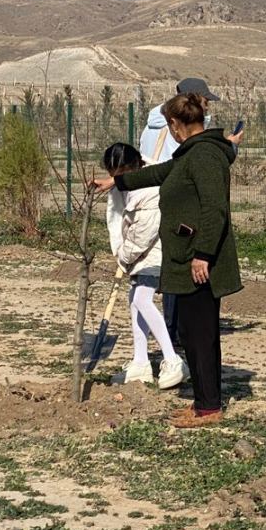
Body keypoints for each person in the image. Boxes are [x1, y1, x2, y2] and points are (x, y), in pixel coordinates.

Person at [93, 91, 240, 428]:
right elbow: (157, 174)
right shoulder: (191, 154)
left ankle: (209, 407)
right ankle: (204, 401)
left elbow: (214, 209)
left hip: (199, 260)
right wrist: (116, 183)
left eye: (170, 125)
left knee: (199, 334)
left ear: (176, 124)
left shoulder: (203, 156)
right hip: (186, 256)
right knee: (192, 332)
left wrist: (203, 254)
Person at [137, 77, 240, 346]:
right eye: (203, 101)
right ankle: (174, 336)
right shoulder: (182, 133)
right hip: (176, 211)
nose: (205, 107)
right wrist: (228, 147)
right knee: (175, 272)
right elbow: (194, 172)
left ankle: (166, 336)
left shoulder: (150, 127)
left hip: (150, 203)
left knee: (152, 276)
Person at [100, 142, 187, 390]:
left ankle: (172, 359)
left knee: (142, 300)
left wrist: (124, 257)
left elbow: (143, 234)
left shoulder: (150, 190)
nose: (119, 180)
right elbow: (119, 218)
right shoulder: (126, 181)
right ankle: (140, 362)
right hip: (141, 252)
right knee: (135, 299)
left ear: (135, 165)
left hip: (157, 251)